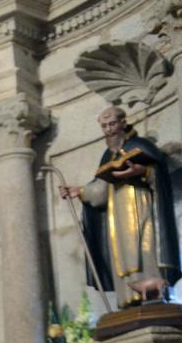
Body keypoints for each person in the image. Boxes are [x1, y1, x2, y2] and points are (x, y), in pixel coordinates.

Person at [58, 105, 179, 307]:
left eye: (112, 124)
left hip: (142, 206)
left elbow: (160, 173)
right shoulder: (109, 155)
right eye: (104, 126)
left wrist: (143, 171)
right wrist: (79, 191)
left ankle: (155, 295)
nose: (109, 130)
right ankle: (129, 298)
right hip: (118, 216)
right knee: (122, 254)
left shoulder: (139, 145)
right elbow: (100, 190)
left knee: (145, 248)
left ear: (123, 122)